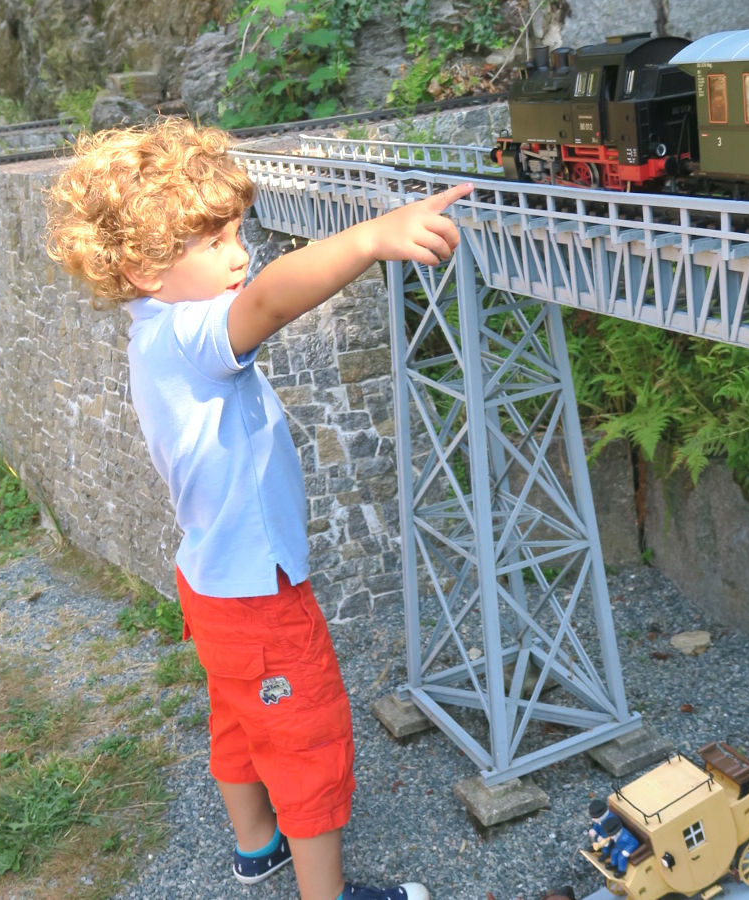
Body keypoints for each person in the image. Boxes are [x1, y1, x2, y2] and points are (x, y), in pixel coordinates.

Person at [46, 116, 472, 900]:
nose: (241, 254)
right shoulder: (190, 333)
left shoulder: (152, 332)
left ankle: (255, 850)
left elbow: (254, 291)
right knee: (306, 738)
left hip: (211, 581)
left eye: (237, 232)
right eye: (214, 243)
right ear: (143, 268)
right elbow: (272, 300)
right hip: (258, 592)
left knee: (240, 719)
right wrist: (372, 237)